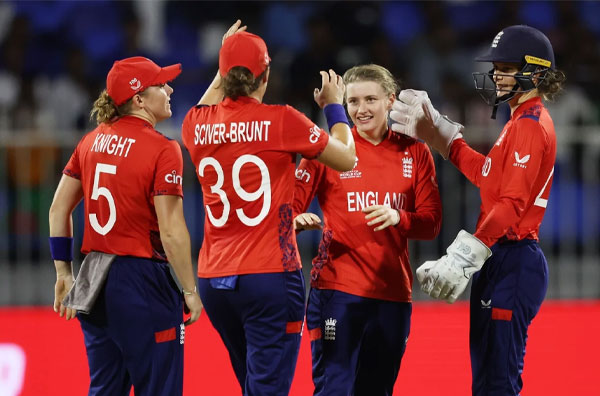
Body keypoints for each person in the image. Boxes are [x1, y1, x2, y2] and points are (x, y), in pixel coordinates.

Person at [181, 21, 356, 396]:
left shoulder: (194, 125)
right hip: (270, 276)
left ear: (223, 74)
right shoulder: (282, 119)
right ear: (266, 75)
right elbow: (345, 158)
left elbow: (210, 98)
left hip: (215, 282)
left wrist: (228, 54)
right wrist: (335, 106)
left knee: (253, 386)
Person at [390, 25, 565, 395]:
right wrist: (443, 137)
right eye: (496, 67)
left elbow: (512, 205)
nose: (496, 75)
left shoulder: (531, 125)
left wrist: (462, 256)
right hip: (502, 257)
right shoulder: (519, 120)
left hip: (512, 259)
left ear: (534, 72)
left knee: (497, 384)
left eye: (505, 66)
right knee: (488, 383)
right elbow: (488, 176)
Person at [49, 56, 203, 396]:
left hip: (94, 281)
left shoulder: (89, 142)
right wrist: (190, 291)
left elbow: (58, 208)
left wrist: (64, 272)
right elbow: (172, 230)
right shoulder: (164, 149)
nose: (170, 89)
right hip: (142, 281)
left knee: (105, 389)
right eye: (161, 85)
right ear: (139, 99)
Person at [293, 64, 442, 395]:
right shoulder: (325, 149)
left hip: (392, 294)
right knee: (334, 388)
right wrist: (295, 219)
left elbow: (432, 223)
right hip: (336, 290)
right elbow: (288, 207)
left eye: (370, 99)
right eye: (353, 101)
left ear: (390, 100)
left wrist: (399, 217)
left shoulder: (415, 152)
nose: (361, 110)